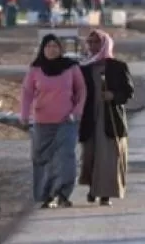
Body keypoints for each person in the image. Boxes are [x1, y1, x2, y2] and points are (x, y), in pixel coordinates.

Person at [20, 35, 85, 209]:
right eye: (48, 46)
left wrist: (77, 111)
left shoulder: (71, 67)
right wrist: (24, 116)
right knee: (43, 159)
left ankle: (63, 193)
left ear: (60, 48)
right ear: (42, 49)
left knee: (65, 157)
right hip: (42, 122)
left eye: (55, 46)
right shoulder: (35, 69)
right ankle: (47, 195)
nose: (51, 49)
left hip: (67, 121)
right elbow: (27, 93)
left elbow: (81, 90)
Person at [78, 30, 134, 207]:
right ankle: (93, 189)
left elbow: (128, 92)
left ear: (105, 44)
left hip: (110, 119)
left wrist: (113, 95)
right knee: (91, 156)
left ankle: (105, 194)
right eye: (91, 42)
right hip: (90, 118)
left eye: (97, 42)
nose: (93, 46)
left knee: (109, 158)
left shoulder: (118, 67)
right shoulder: (84, 68)